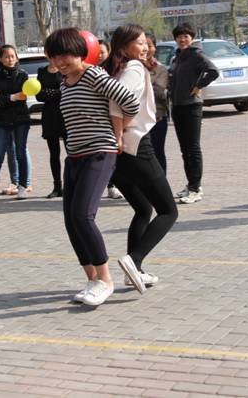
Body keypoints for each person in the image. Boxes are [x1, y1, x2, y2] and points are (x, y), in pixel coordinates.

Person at [45, 28, 139, 306]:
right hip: (74, 156)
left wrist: (119, 132)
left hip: (99, 152)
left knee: (83, 215)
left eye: (65, 56)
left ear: (79, 52)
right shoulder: (65, 82)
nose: (60, 62)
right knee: (71, 220)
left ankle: (106, 280)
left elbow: (130, 101)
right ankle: (92, 279)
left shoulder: (94, 75)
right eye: (54, 57)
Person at [105, 24, 178, 294]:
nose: (145, 47)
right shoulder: (134, 68)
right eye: (139, 43)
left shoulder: (117, 68)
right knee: (169, 211)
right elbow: (118, 101)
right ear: (124, 47)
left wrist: (117, 135)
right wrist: (119, 132)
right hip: (136, 144)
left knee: (143, 208)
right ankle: (134, 260)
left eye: (146, 42)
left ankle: (134, 271)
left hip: (119, 151)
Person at [168, 22, 219, 204]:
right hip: (177, 106)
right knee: (185, 150)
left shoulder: (196, 54)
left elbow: (213, 71)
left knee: (193, 148)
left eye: (186, 36)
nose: (182, 39)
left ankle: (196, 188)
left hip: (191, 106)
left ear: (191, 38)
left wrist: (199, 86)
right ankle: (191, 184)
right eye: (179, 36)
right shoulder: (177, 57)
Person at [0, 45, 31, 204]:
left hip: (20, 119)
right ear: (0, 59)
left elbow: (23, 97)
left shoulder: (23, 75)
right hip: (2, 121)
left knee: (20, 153)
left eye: (12, 56)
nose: (10, 59)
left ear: (16, 58)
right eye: (6, 56)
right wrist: (12, 97)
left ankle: (22, 186)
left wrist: (4, 97)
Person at [96, 39, 123, 200]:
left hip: (114, 118)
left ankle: (113, 185)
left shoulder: (115, 70)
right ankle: (106, 186)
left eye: (102, 52)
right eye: (96, 52)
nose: (99, 55)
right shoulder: (88, 70)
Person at [36, 58, 66, 198]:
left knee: (71, 152)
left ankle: (71, 184)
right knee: (54, 154)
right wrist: (56, 92)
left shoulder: (65, 70)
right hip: (49, 116)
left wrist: (49, 93)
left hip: (65, 113)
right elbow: (39, 95)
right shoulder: (41, 72)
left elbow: (66, 91)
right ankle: (57, 186)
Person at [145, 32, 169, 172]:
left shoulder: (161, 69)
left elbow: (159, 91)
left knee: (157, 152)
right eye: (142, 44)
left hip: (157, 117)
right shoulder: (129, 67)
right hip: (136, 120)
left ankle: (161, 181)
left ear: (154, 48)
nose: (146, 49)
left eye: (149, 45)